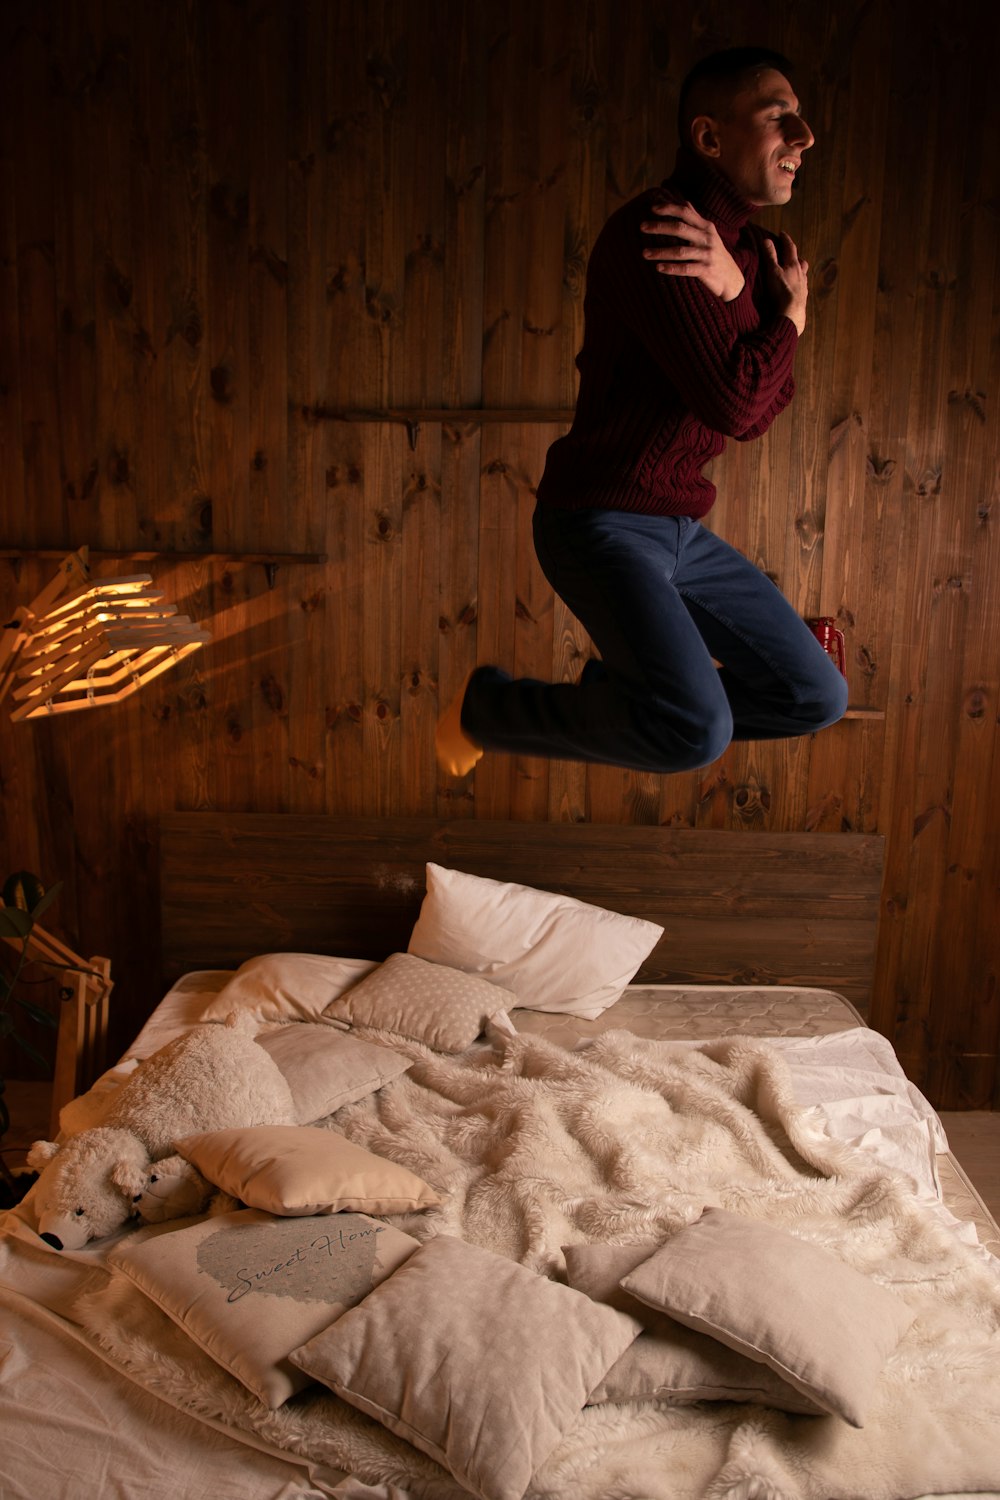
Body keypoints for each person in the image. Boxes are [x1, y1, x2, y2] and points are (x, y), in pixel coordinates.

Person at [436, 46, 848, 778]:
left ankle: (634, 699)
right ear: (709, 137)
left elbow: (768, 400)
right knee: (696, 731)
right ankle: (491, 710)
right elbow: (740, 405)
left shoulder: (752, 253)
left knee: (814, 694)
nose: (804, 136)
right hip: (599, 519)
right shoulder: (660, 233)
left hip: (679, 529)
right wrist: (788, 319)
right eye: (779, 115)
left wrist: (748, 300)